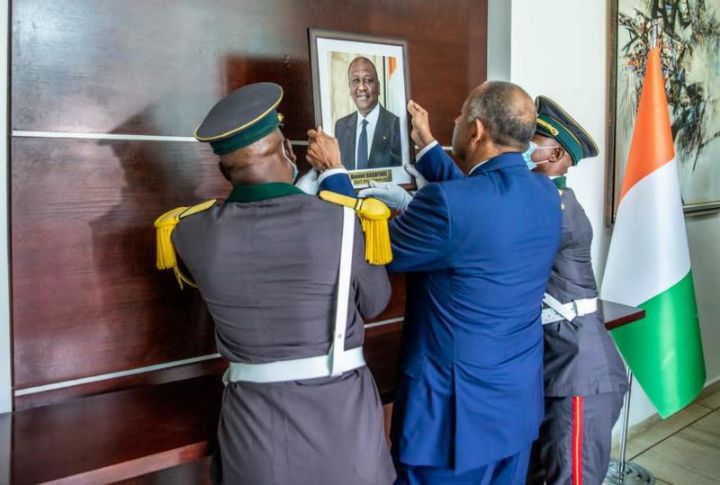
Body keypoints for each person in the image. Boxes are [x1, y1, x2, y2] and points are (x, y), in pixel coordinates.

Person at [307, 81, 562, 483]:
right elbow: (478, 202)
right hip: (513, 407)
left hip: (453, 419)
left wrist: (334, 174)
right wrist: (427, 148)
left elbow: (370, 248)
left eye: (461, 115)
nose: (455, 120)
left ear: (476, 130)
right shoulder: (544, 192)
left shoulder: (452, 205)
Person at [153, 82, 396, 485]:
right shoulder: (344, 220)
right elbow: (375, 302)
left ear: (222, 168)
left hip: (252, 443)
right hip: (345, 439)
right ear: (287, 150)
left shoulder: (187, 229)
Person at [525, 96, 629, 485]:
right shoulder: (549, 201)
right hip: (563, 364)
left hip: (581, 373)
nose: (519, 149)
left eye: (528, 143)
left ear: (553, 153)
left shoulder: (555, 208)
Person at [334, 56, 402, 170]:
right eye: (355, 81)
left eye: (368, 80)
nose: (361, 87)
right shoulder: (340, 126)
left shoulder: (396, 125)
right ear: (350, 88)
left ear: (379, 87)